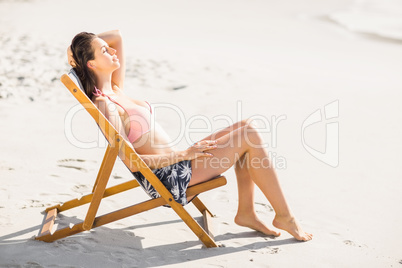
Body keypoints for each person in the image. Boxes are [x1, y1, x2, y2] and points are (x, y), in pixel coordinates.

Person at [68, 30, 313, 241]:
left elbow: (117, 35)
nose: (112, 50)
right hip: (169, 177)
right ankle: (284, 216)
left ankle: (247, 212)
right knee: (249, 136)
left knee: (246, 125)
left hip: (180, 161)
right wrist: (183, 153)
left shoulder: (116, 88)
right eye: (103, 51)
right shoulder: (105, 103)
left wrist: (74, 50)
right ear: (91, 63)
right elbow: (132, 161)